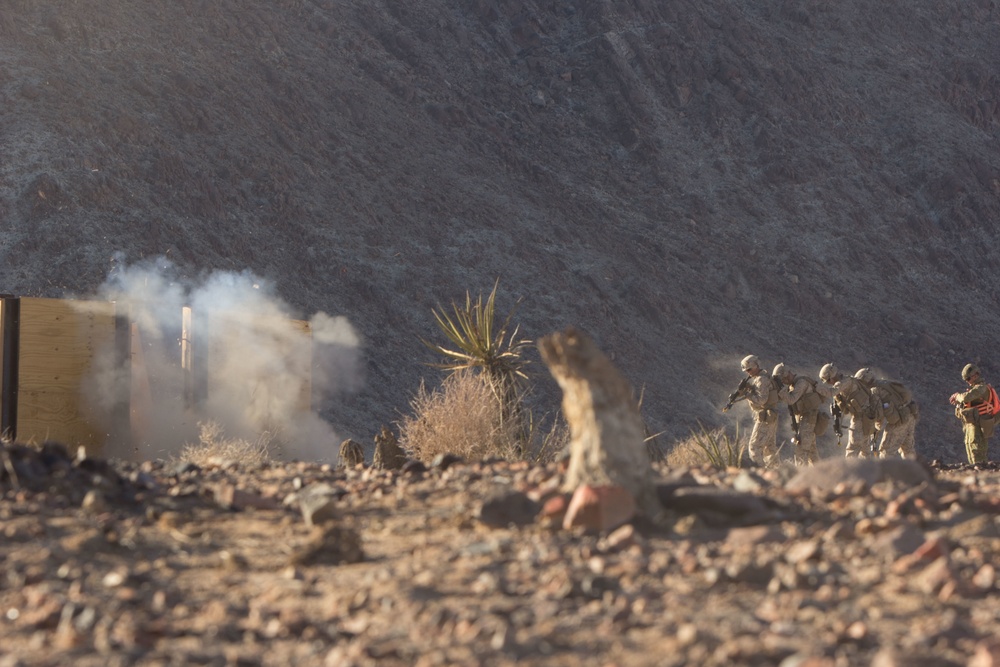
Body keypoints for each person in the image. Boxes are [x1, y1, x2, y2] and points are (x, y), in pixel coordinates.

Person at [854, 367, 918, 459]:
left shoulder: (874, 391)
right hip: (909, 415)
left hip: (899, 421)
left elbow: (878, 414)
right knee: (908, 450)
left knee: (886, 452)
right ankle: (915, 472)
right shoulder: (885, 383)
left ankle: (886, 473)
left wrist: (876, 428)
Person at [817, 363, 876, 458]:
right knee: (865, 450)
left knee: (852, 449)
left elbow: (830, 392)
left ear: (832, 376)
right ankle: (868, 470)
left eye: (828, 381)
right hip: (864, 418)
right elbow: (845, 410)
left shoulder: (844, 382)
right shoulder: (845, 382)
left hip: (860, 419)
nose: (829, 383)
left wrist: (816, 387)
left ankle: (849, 471)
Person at [773, 363, 827, 465]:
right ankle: (820, 473)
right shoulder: (793, 385)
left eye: (783, 379)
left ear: (787, 374)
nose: (783, 382)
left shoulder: (801, 383)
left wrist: (781, 390)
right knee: (811, 450)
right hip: (804, 419)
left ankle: (801, 473)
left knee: (801, 450)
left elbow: (791, 400)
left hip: (808, 419)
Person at [738, 355, 780, 467]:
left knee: (754, 447)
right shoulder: (761, 377)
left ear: (756, 366)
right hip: (770, 416)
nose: (748, 372)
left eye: (749, 369)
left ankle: (760, 472)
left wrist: (747, 394)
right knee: (769, 448)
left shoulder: (761, 379)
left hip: (766, 416)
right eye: (746, 370)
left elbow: (762, 400)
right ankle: (777, 472)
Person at [949, 363, 995, 464]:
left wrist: (957, 396)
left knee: (978, 455)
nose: (967, 382)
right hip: (971, 426)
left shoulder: (982, 388)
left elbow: (965, 398)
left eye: (968, 379)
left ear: (975, 375)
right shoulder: (973, 390)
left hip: (979, 426)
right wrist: (958, 404)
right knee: (971, 453)